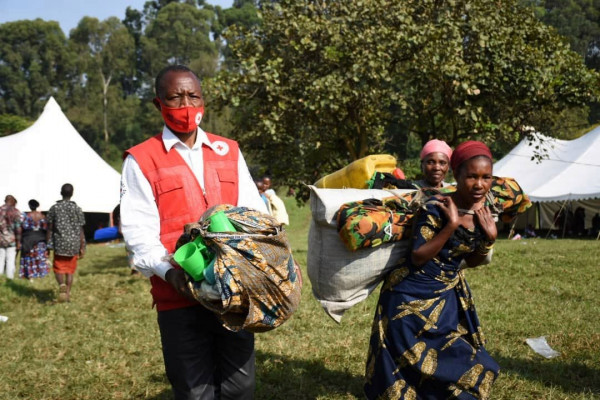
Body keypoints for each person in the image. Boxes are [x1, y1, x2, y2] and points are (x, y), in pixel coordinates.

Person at [120, 65, 268, 400]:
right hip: (178, 298)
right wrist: (173, 275)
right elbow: (139, 235)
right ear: (159, 104)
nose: (186, 104)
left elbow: (253, 213)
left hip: (233, 294)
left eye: (193, 96)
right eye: (175, 97)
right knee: (193, 390)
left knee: (240, 388)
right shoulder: (141, 160)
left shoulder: (227, 150)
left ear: (203, 101)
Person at [364, 141, 500, 399]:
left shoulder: (483, 212)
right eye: (472, 176)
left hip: (446, 297)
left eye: (486, 177)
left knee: (464, 358)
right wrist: (450, 226)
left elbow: (469, 261)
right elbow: (417, 256)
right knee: (407, 360)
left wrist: (489, 238)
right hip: (408, 295)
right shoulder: (435, 207)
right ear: (456, 176)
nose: (479, 184)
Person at [46, 184, 86, 302]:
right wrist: (82, 245)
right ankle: (67, 295)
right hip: (73, 244)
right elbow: (81, 229)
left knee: (58, 268)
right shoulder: (77, 208)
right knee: (70, 271)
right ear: (72, 193)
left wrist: (48, 244)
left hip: (59, 243)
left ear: (60, 192)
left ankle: (61, 285)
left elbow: (50, 228)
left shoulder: (54, 208)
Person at [19, 199, 50, 280]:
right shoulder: (43, 216)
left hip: (28, 240)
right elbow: (46, 229)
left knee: (29, 257)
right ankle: (40, 274)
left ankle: (30, 275)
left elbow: (22, 227)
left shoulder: (26, 216)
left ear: (29, 206)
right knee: (39, 257)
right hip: (40, 240)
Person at [0, 195, 22, 280]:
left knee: (0, 259)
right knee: (10, 260)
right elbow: (18, 229)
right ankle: (9, 280)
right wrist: (18, 242)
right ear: (13, 201)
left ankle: (0, 280)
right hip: (12, 240)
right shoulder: (15, 211)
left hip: (0, 240)